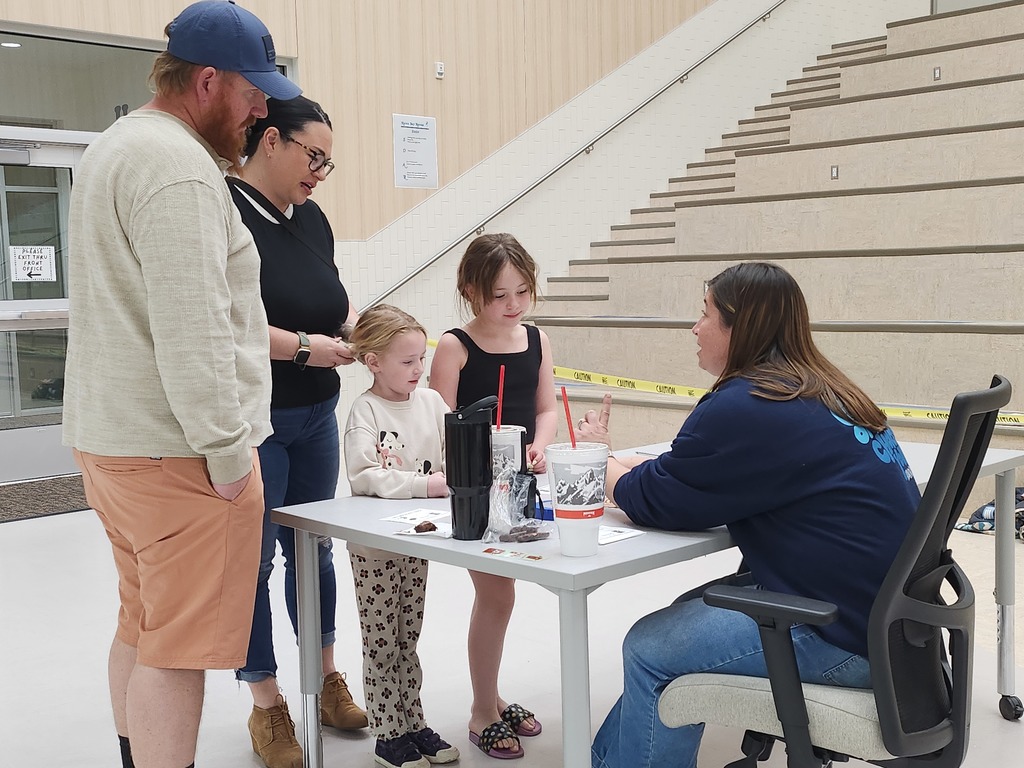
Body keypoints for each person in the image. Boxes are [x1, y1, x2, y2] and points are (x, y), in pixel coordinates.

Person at [62, 3, 300, 768]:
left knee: (143, 624)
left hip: (114, 442)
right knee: (180, 649)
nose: (264, 108)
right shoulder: (180, 172)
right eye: (252, 92)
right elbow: (192, 330)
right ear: (206, 81)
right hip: (180, 456)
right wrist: (230, 458)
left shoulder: (115, 147)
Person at [576, 262, 921, 768]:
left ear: (743, 327)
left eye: (705, 314)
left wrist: (597, 460)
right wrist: (623, 461)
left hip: (840, 633)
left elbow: (659, 501)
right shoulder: (820, 390)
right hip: (892, 626)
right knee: (680, 615)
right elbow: (697, 470)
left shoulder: (749, 402)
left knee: (650, 647)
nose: (694, 328)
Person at [227, 95, 367, 768]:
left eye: (328, 162)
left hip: (316, 414)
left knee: (313, 552)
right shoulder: (225, 210)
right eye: (315, 157)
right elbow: (230, 323)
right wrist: (307, 348)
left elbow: (330, 302)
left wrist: (363, 333)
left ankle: (325, 676)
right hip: (257, 419)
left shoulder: (311, 217)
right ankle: (267, 704)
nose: (320, 172)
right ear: (272, 142)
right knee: (252, 565)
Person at [429, 233, 557, 759]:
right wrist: (481, 459)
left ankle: (495, 696)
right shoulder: (455, 345)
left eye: (522, 292)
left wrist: (540, 448)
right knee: (497, 595)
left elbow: (545, 409)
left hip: (523, 485)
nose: (513, 306)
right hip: (476, 492)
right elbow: (439, 423)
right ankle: (483, 710)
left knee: (508, 594)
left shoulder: (537, 340)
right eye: (499, 295)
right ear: (470, 290)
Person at [343, 304, 460, 768]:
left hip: (419, 542)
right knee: (381, 641)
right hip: (375, 547)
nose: (418, 369)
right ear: (373, 362)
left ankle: (413, 722)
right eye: (407, 361)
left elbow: (459, 448)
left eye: (420, 360)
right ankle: (387, 733)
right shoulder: (365, 410)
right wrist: (427, 484)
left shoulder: (432, 402)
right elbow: (364, 476)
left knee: (407, 637)